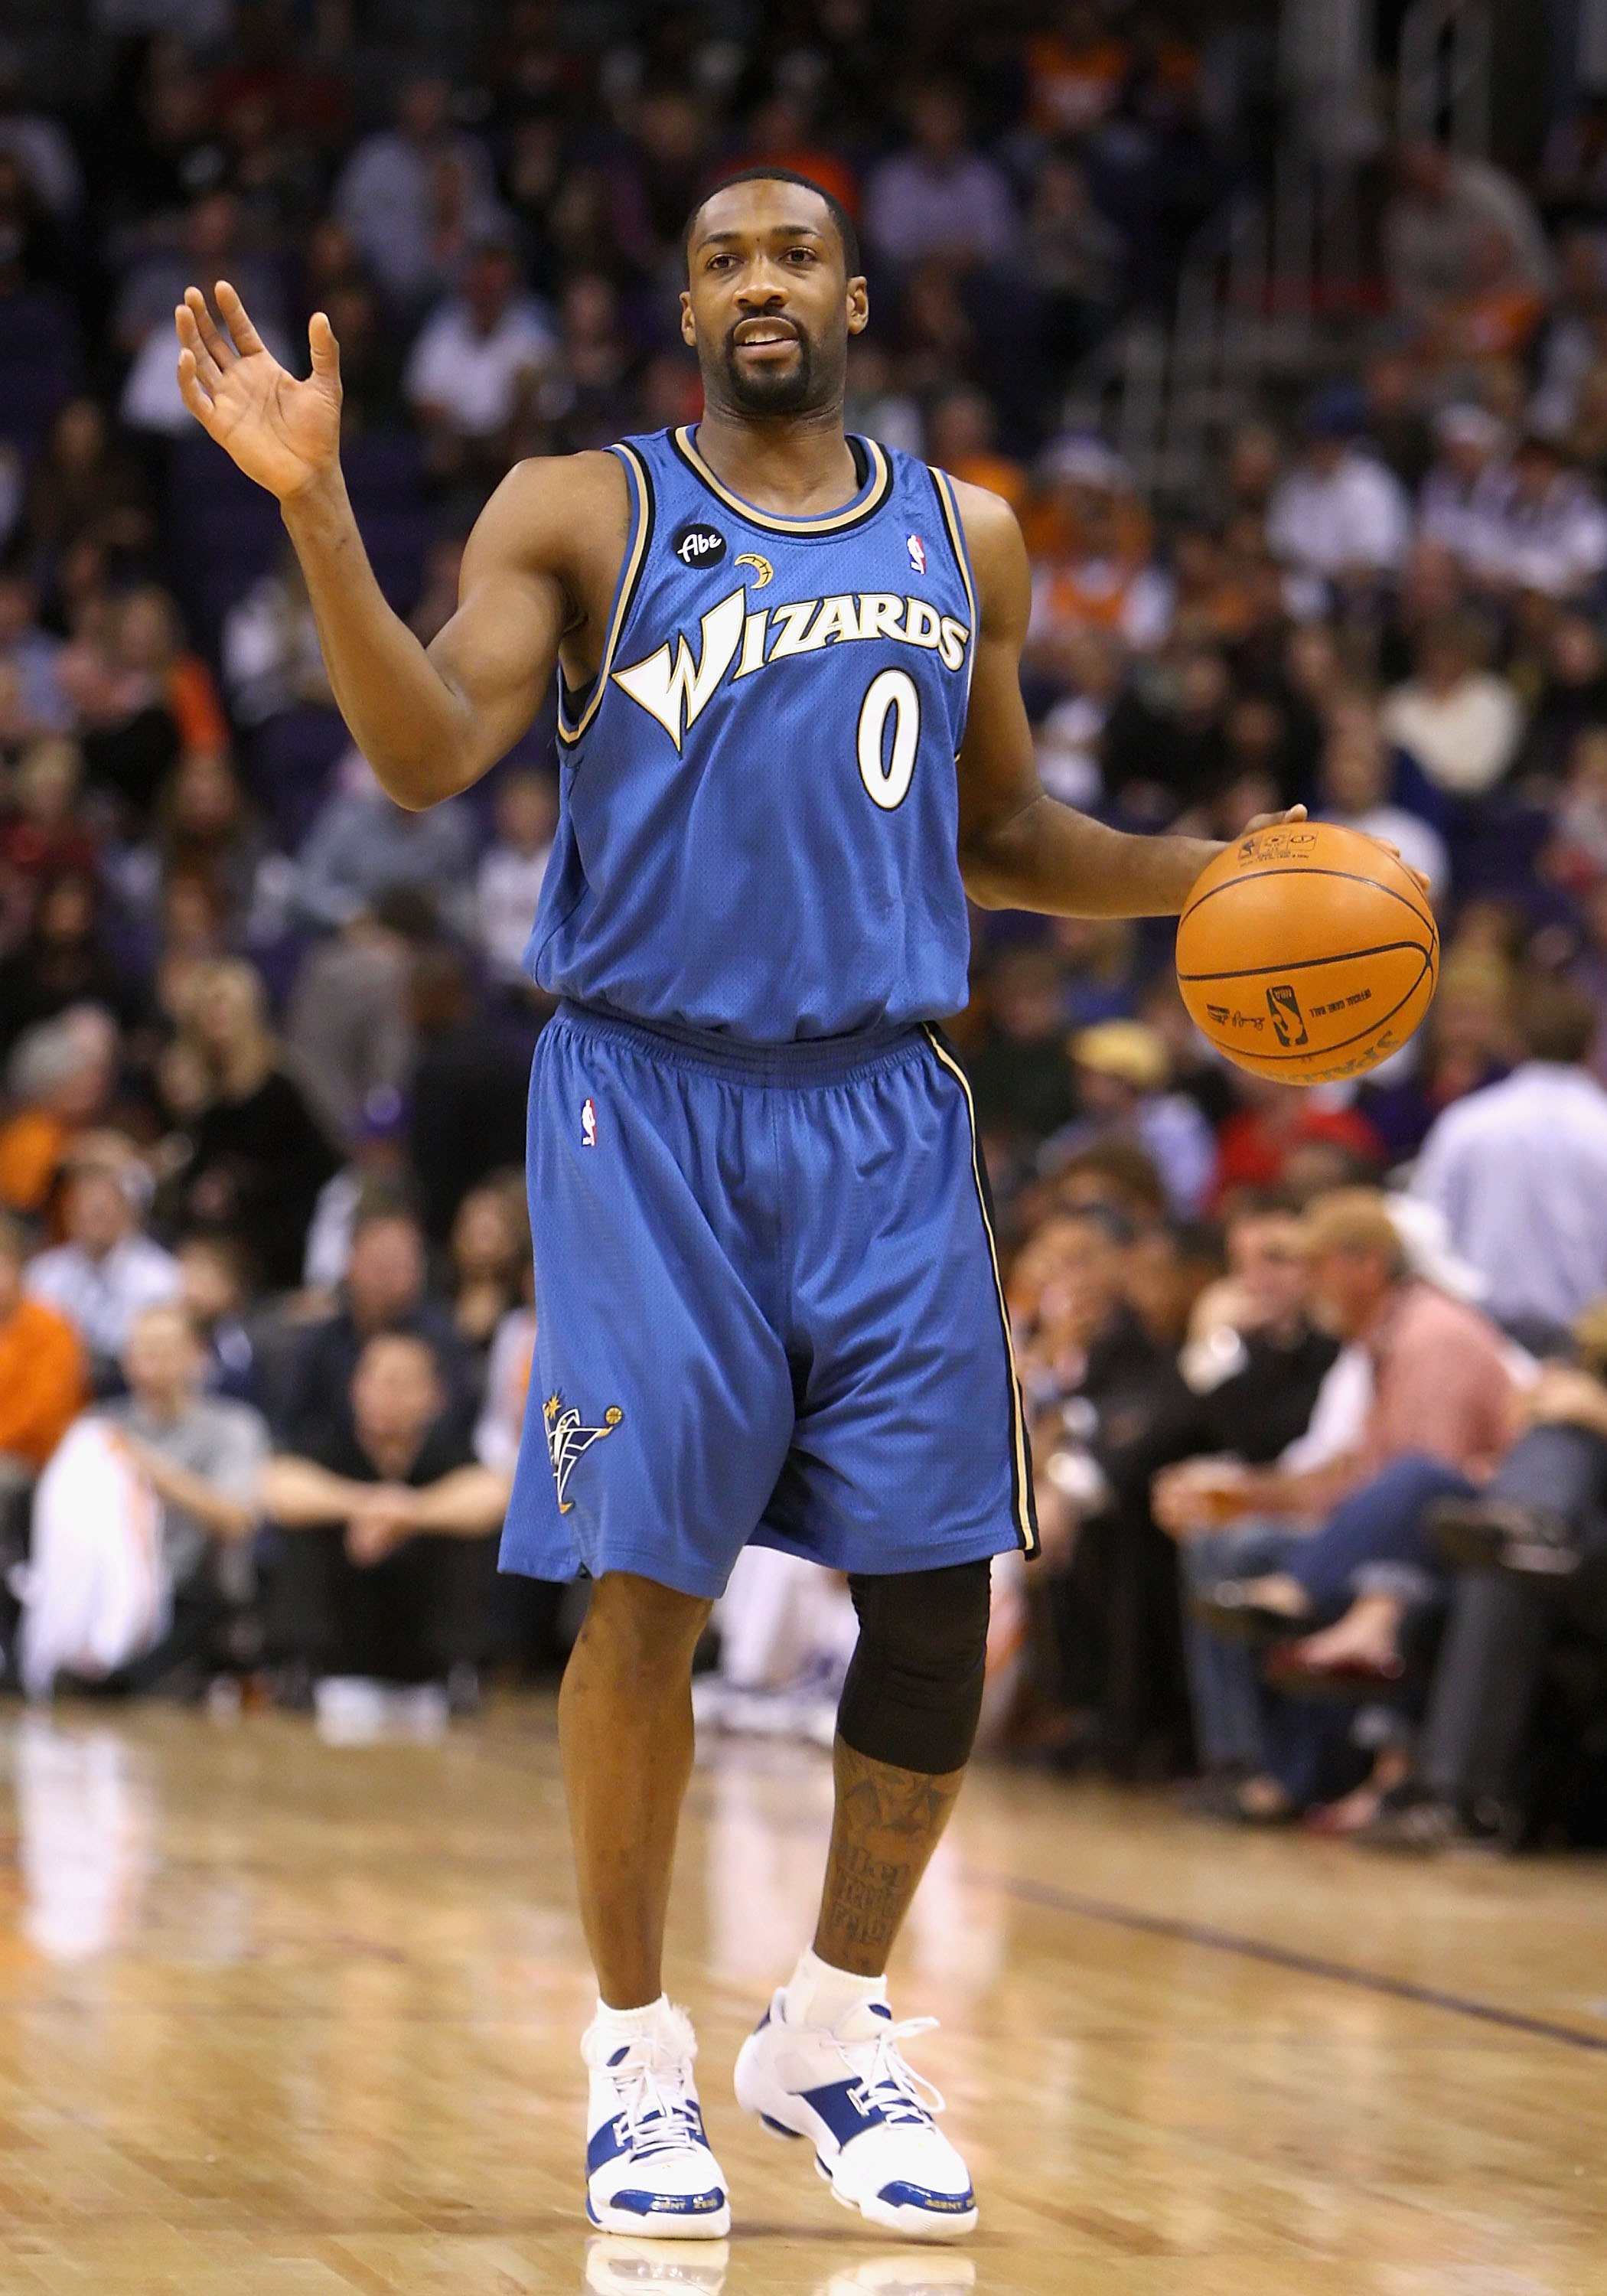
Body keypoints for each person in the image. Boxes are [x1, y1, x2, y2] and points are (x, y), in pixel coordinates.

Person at [175, 165, 1364, 2242]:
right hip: (645, 1091)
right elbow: (426, 750)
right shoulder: (578, 509)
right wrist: (311, 505)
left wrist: (1204, 873)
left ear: (855, 293)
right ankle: (634, 2066)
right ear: (687, 306)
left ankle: (827, 2026)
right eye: (719, 254)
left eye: (791, 252)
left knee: (938, 1590)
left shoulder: (962, 532)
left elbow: (993, 828)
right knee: (650, 1582)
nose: (757, 283)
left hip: (889, 1105)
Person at [261, 1329, 507, 1699]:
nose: (389, 1394)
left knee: (465, 1535)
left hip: (422, 1633)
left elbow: (493, 1494)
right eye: (378, 1380)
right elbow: (278, 1487)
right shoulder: (326, 1444)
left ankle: (459, 1672)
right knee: (303, 1530)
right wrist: (365, 1504)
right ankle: (300, 1669)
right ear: (356, 1389)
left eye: (404, 1383)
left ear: (434, 1397)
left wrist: (408, 1514)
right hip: (342, 1626)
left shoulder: (450, 1453)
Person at [1412, 979, 1607, 1342]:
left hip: (1484, 1330)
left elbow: (1425, 1228)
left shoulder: (1468, 1122)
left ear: (1516, 1045)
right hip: (1584, 1337)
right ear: (1590, 1046)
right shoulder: (1601, 1128)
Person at [26, 1139, 181, 1378]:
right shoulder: (44, 1272)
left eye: (101, 1209)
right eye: (81, 1206)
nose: (89, 1215)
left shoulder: (162, 1276)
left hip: (129, 1387)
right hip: (57, 1384)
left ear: (129, 1209)